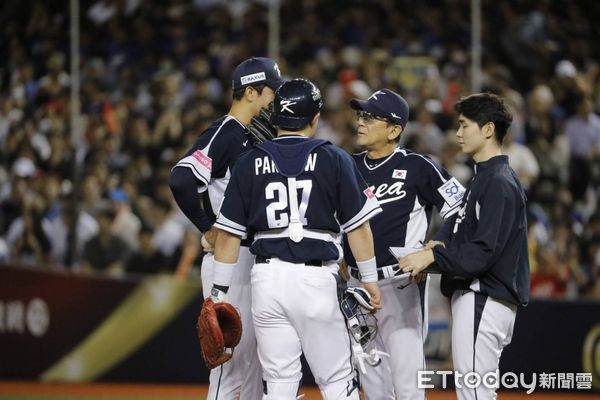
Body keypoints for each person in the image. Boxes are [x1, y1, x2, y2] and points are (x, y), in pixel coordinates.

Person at [210, 79, 383, 400]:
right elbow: (359, 228)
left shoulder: (248, 162)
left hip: (266, 280)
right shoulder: (334, 158)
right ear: (314, 118)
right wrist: (370, 279)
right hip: (315, 279)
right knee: (337, 380)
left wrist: (218, 294)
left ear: (275, 116)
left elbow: (228, 236)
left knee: (279, 382)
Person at [400, 93, 530, 400]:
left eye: (464, 125)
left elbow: (482, 253)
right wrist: (437, 247)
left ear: (488, 129)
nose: (458, 133)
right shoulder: (485, 177)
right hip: (482, 298)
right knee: (475, 392)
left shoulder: (498, 181)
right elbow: (462, 230)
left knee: (474, 393)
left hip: (484, 296)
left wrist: (432, 256)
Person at [168, 57, 284, 399]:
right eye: (271, 92)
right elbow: (181, 179)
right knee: (230, 369)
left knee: (255, 366)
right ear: (250, 92)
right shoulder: (226, 131)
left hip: (255, 259)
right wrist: (207, 227)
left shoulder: (251, 136)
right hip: (231, 261)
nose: (274, 101)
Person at [343, 89, 465, 400]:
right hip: (358, 286)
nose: (361, 121)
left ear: (394, 129)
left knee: (408, 385)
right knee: (373, 385)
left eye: (371, 117)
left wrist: (434, 247)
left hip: (401, 284)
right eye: (361, 115)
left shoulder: (418, 166)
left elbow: (460, 207)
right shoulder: (346, 165)